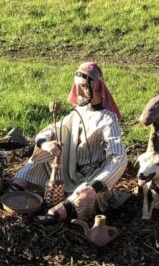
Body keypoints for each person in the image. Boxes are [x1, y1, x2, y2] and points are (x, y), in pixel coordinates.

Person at [11, 62, 128, 224]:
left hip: (90, 176)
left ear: (95, 86)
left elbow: (118, 158)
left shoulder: (108, 119)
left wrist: (96, 187)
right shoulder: (78, 112)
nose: (78, 91)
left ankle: (59, 211)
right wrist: (45, 143)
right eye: (76, 86)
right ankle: (19, 189)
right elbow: (55, 128)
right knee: (41, 156)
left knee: (83, 196)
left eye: (82, 87)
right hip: (68, 169)